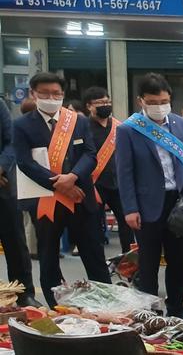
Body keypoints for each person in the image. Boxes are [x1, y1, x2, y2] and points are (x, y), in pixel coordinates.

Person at [13, 72, 111, 307]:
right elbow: (25, 162)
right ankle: (56, 307)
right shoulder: (22, 125)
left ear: (63, 94)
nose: (51, 98)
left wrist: (73, 177)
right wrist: (61, 185)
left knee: (94, 254)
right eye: (45, 93)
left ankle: (107, 302)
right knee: (48, 256)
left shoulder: (78, 121)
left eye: (56, 93)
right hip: (45, 200)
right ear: (33, 94)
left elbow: (90, 154)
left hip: (81, 198)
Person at [115, 73, 183, 319]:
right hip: (147, 205)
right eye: (153, 102)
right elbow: (124, 172)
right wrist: (130, 208)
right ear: (141, 101)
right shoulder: (128, 129)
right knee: (149, 264)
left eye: (164, 101)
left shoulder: (180, 124)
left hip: (178, 203)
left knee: (179, 262)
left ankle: (177, 311)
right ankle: (150, 313)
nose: (159, 106)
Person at [83, 86, 134, 255]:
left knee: (127, 223)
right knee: (94, 227)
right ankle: (99, 264)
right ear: (89, 106)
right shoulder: (83, 128)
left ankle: (128, 261)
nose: (105, 105)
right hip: (95, 185)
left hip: (118, 184)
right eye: (100, 102)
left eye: (107, 101)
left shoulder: (119, 127)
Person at [0, 97, 39, 306]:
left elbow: (11, 142)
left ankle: (24, 295)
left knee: (15, 243)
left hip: (3, 187)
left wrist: (1, 167)